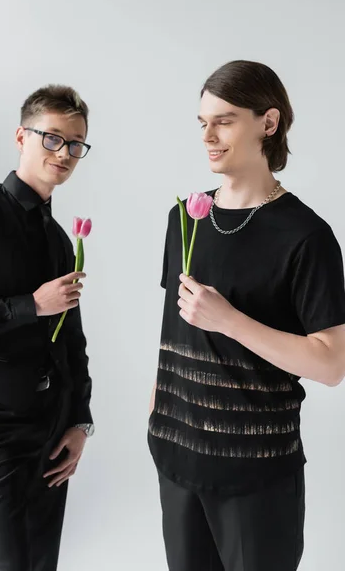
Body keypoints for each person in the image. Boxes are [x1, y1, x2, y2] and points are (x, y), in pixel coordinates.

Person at [148, 60, 345, 571]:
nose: (208, 136)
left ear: (269, 122)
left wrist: (230, 320)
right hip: (177, 459)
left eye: (225, 120)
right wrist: (157, 412)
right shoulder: (183, 217)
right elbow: (174, 329)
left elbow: (331, 365)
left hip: (256, 475)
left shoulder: (306, 236)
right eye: (202, 123)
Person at [0, 84, 95, 571]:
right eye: (52, 138)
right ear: (21, 136)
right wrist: (29, 305)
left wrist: (79, 420)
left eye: (76, 143)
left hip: (52, 426)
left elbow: (71, 339)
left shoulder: (57, 236)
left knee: (41, 563)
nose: (65, 153)